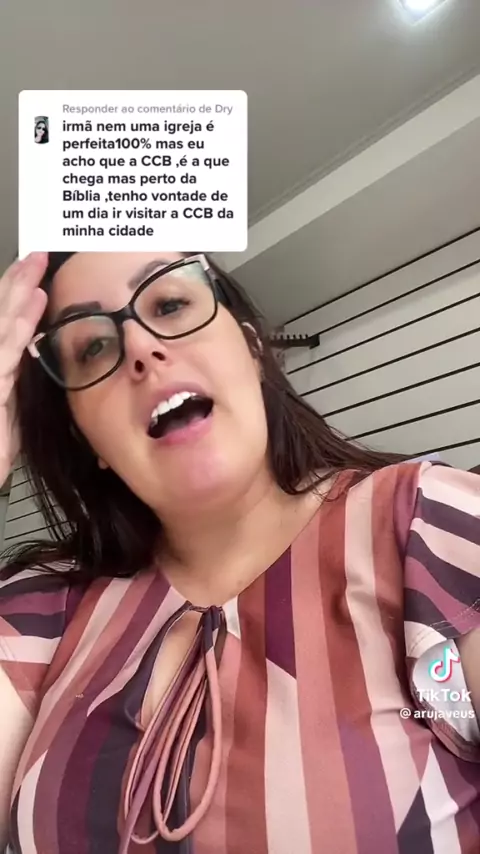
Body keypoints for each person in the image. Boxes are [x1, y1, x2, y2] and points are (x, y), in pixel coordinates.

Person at [0, 250, 479, 854]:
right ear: (86, 436)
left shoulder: (429, 524)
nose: (142, 348)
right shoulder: (41, 610)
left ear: (253, 349)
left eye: (170, 304)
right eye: (92, 347)